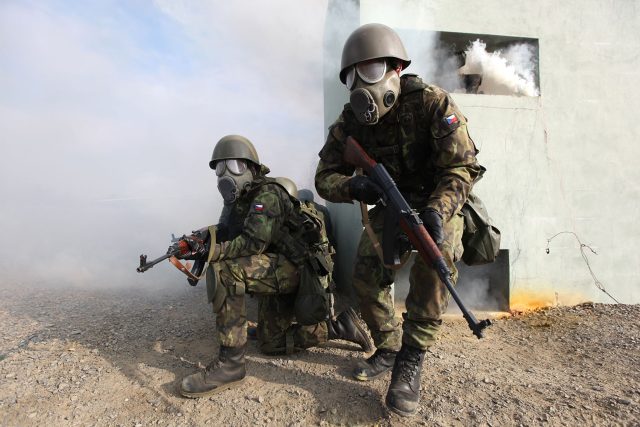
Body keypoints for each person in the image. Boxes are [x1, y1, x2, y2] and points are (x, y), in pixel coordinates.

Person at [314, 23, 482, 416]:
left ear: (396, 69)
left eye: (371, 71)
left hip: (438, 204)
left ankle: (411, 358)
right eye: (353, 77)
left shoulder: (432, 103)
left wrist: (437, 211)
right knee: (365, 276)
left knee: (436, 262)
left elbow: (462, 168)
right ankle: (389, 346)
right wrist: (355, 187)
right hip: (390, 207)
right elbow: (324, 177)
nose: (362, 84)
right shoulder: (350, 122)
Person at [177, 134, 373, 398]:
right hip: (280, 270)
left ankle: (230, 365)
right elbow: (226, 230)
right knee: (271, 344)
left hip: (301, 272)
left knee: (225, 271)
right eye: (220, 168)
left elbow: (252, 243)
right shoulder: (240, 199)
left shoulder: (267, 194)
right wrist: (200, 239)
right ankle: (340, 327)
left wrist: (211, 251)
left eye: (233, 166)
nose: (226, 174)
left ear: (251, 168)